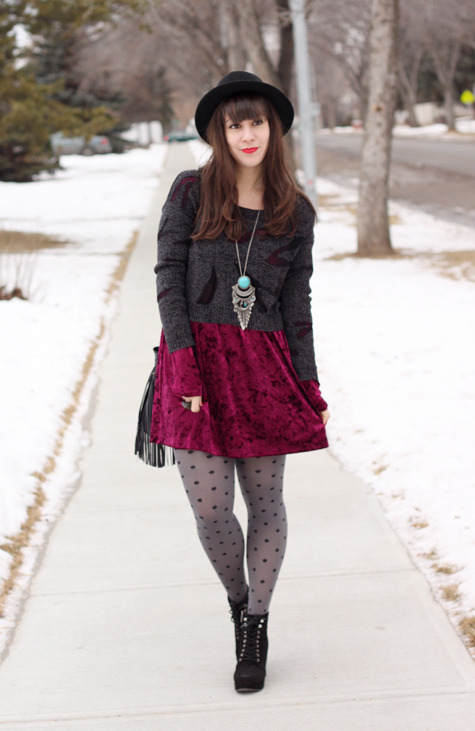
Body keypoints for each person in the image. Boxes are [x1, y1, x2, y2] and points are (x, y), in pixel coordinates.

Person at [150, 70, 330, 693]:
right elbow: (169, 276)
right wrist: (184, 360)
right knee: (209, 508)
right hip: (196, 362)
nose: (247, 134)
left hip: (264, 371)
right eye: (235, 124)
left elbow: (298, 306)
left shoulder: (295, 211)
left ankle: (256, 623)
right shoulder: (190, 193)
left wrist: (310, 386)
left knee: (266, 504)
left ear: (273, 129)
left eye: (257, 122)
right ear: (218, 133)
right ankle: (238, 599)